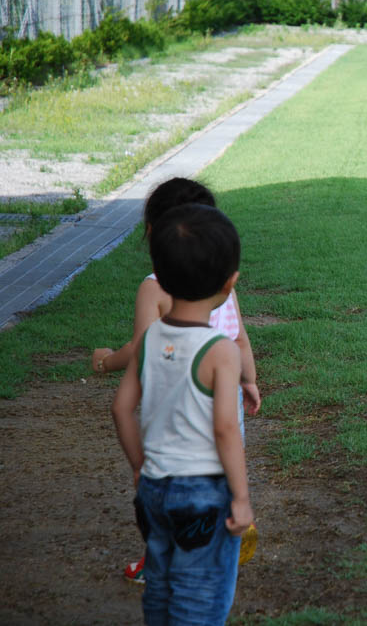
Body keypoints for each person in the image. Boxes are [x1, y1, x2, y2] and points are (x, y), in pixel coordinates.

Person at [92, 177, 260, 583]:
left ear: (153, 235)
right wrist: (249, 380)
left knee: (168, 494)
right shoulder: (220, 285)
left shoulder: (154, 288)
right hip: (223, 396)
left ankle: (167, 560)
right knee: (218, 478)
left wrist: (106, 362)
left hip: (173, 412)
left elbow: (141, 346)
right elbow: (238, 336)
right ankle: (226, 530)